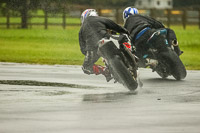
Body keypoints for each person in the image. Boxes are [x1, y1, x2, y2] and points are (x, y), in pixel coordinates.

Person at [79, 9, 129, 82]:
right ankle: (131, 55)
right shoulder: (100, 19)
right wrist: (125, 31)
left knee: (86, 67)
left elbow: (82, 48)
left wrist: (88, 54)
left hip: (93, 48)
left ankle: (104, 71)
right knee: (124, 39)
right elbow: (115, 26)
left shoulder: (81, 29)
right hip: (107, 38)